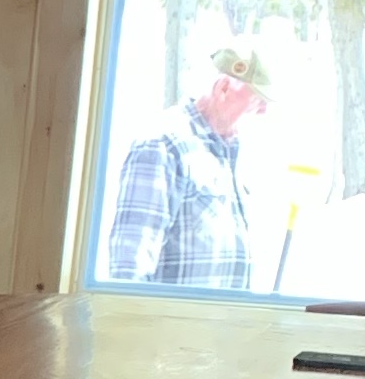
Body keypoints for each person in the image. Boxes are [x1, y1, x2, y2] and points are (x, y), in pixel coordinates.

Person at [104, 42, 270, 288]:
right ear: (224, 89)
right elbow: (129, 267)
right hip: (174, 314)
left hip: (225, 313)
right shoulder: (163, 144)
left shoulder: (232, 153)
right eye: (257, 101)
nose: (263, 111)